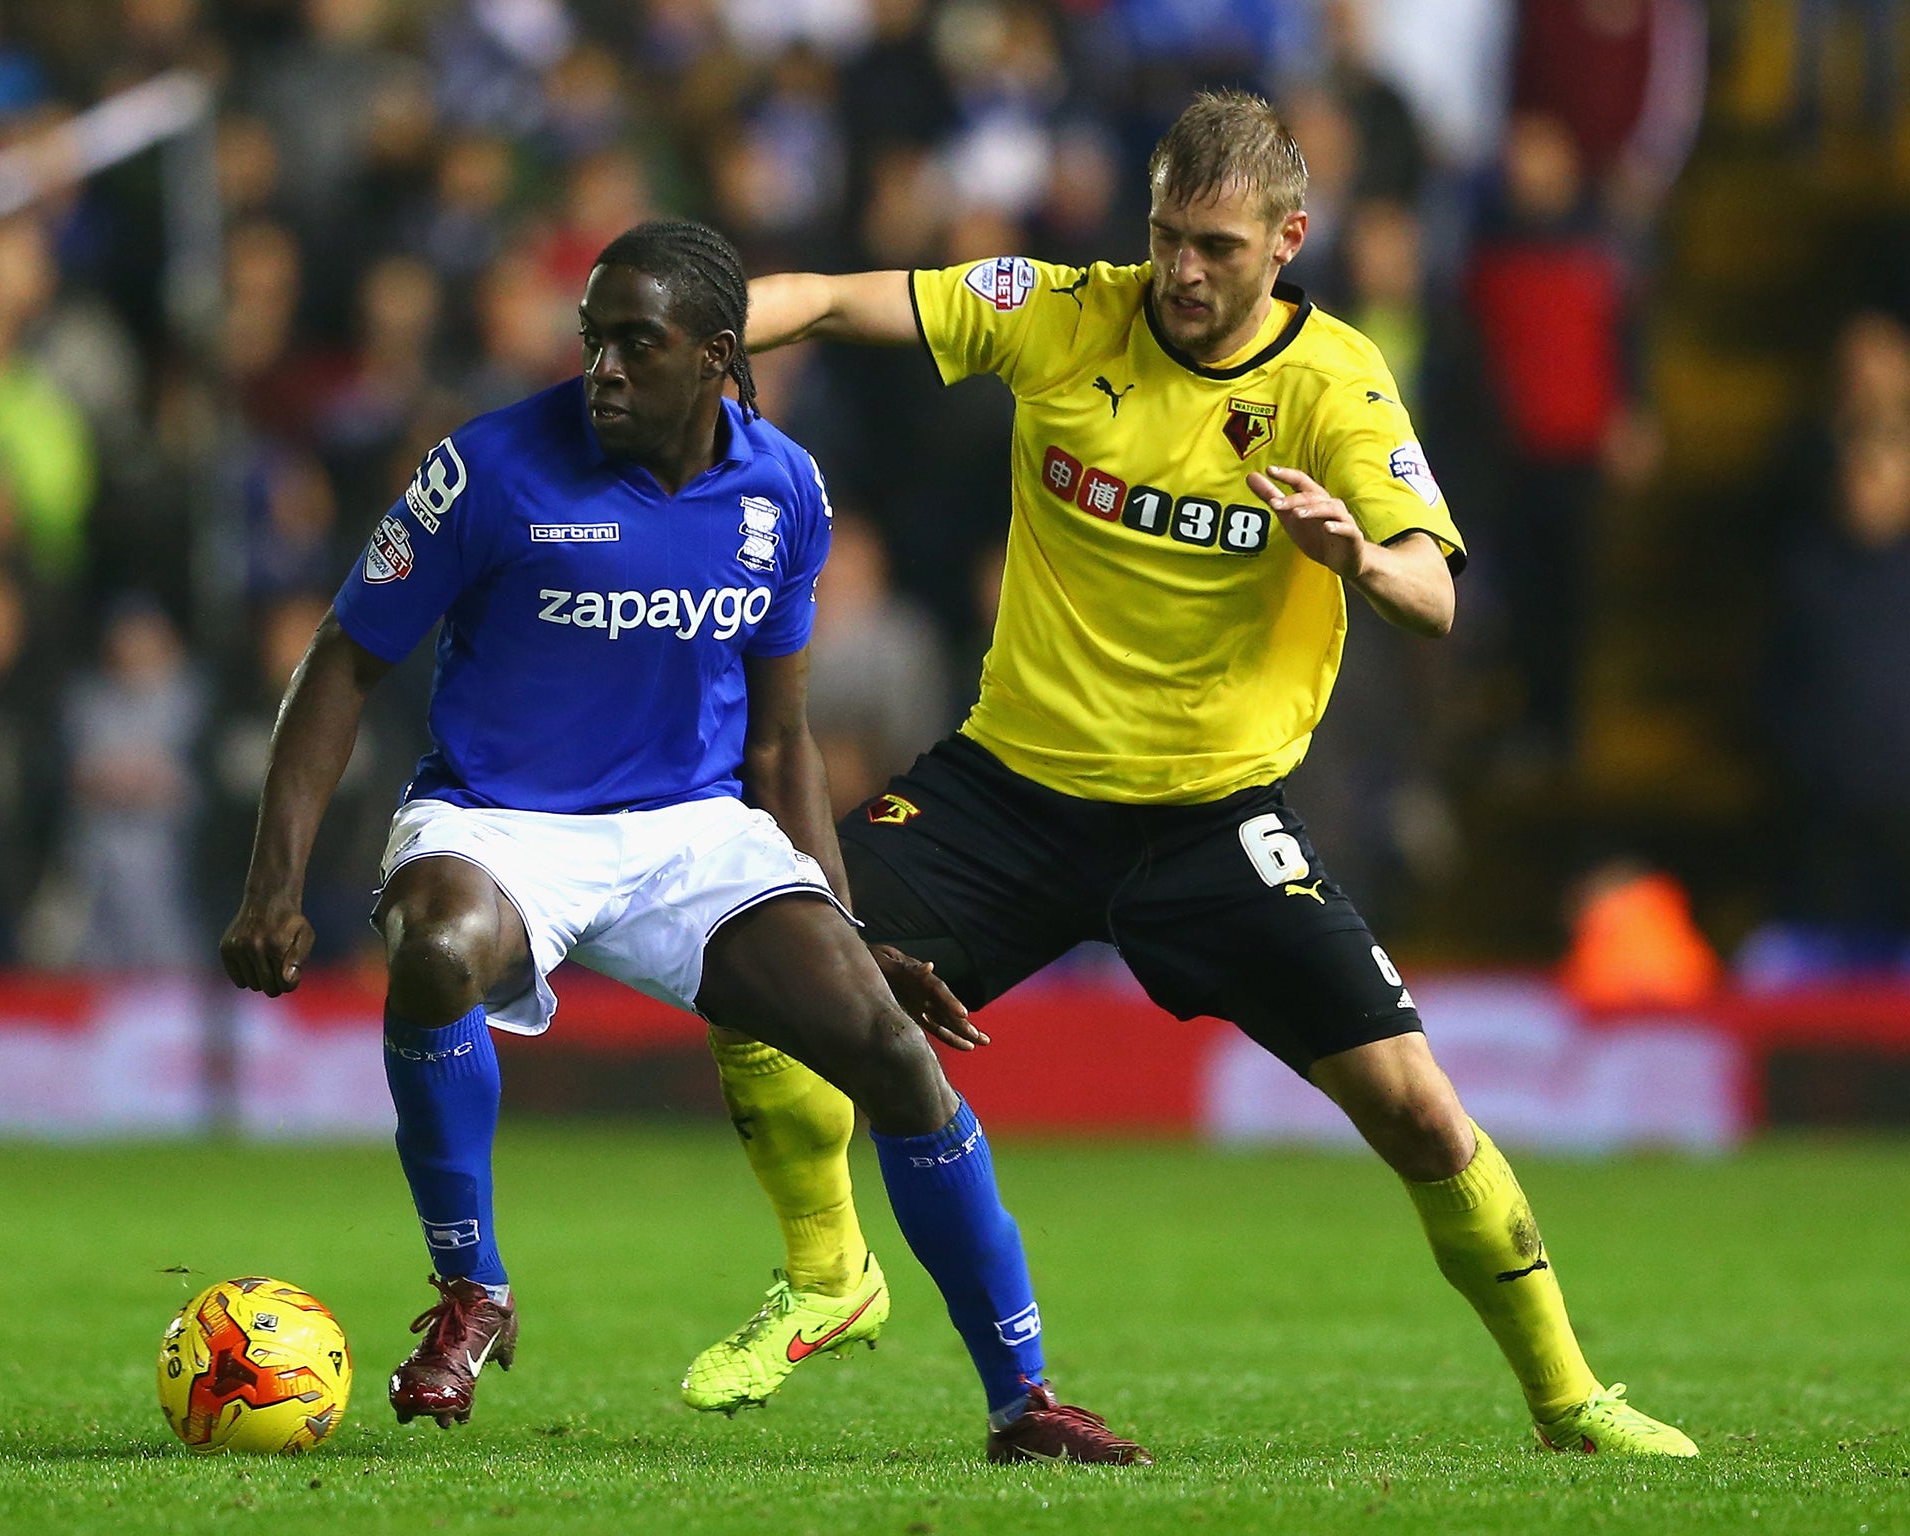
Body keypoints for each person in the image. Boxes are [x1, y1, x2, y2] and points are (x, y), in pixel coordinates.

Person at [683, 91, 1697, 1459]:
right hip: (1009, 794)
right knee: (757, 952)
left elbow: (1432, 594)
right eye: (1167, 236)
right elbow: (826, 297)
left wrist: (1354, 555)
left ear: (1288, 238)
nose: (1182, 272)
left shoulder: (1333, 383)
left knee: (1416, 1110)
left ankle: (1572, 1401)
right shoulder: (1056, 308)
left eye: (1216, 245)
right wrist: (684, 331)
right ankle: (828, 1275)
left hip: (1212, 824)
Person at [219, 220, 1149, 1465]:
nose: (601, 367)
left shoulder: (784, 493)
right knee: (437, 947)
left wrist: (855, 932)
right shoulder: (485, 471)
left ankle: (1021, 1400)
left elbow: (780, 746)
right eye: (591, 340)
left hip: (690, 832)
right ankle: (472, 1294)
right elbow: (341, 664)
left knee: (889, 1046)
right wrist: (272, 881)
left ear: (718, 356)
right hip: (500, 822)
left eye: (633, 345)